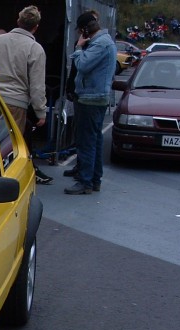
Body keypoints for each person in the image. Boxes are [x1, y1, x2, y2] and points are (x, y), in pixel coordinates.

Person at [0, 6, 53, 185]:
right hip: (16, 103)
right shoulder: (35, 49)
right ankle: (4, 184)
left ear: (18, 21)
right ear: (36, 27)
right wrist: (41, 112)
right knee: (11, 146)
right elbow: (37, 85)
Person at [64, 11, 115, 195]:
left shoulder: (100, 44)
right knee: (94, 140)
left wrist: (78, 48)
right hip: (94, 97)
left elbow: (83, 65)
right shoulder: (102, 42)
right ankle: (94, 179)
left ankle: (85, 181)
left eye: (80, 31)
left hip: (90, 99)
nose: (79, 35)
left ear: (85, 29)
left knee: (86, 141)